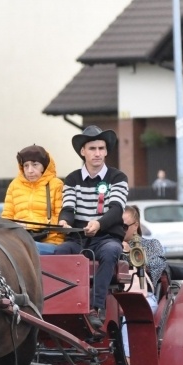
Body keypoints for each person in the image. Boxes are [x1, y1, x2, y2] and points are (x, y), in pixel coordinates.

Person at [56, 125, 129, 331]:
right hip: (78, 239)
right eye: (92, 148)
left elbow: (116, 209)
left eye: (101, 148)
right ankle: (62, 304)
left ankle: (96, 308)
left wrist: (99, 224)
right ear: (83, 151)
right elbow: (68, 209)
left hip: (106, 238)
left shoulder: (118, 177)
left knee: (111, 250)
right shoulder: (72, 179)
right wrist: (64, 222)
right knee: (60, 253)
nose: (97, 153)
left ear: (106, 151)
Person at [121, 205, 166, 357]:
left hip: (142, 296)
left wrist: (130, 254)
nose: (120, 230)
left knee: (131, 312)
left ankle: (129, 359)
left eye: (124, 226)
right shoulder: (108, 246)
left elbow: (156, 268)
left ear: (135, 225)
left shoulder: (151, 245)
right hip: (112, 297)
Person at [1, 144, 65, 254]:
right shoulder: (14, 185)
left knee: (24, 249)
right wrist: (15, 227)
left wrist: (31, 225)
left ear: (44, 166)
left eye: (35, 165)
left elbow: (62, 220)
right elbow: (6, 218)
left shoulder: (56, 185)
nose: (30, 170)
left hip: (50, 242)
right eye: (26, 166)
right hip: (20, 241)